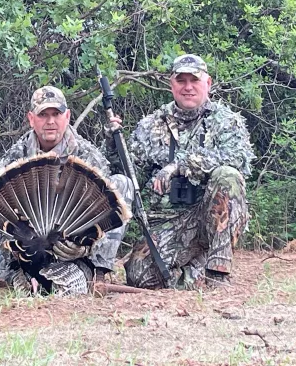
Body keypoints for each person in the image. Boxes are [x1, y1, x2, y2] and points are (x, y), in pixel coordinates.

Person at [109, 54, 255, 289]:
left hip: (208, 219)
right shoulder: (151, 125)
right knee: (138, 276)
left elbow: (238, 159)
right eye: (181, 81)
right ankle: (197, 273)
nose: (188, 87)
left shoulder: (226, 121)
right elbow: (130, 177)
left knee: (228, 176)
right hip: (169, 222)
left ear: (207, 84)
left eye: (194, 81)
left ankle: (218, 273)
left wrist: (180, 166)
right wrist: (114, 144)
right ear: (171, 84)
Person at [0, 86, 133, 292]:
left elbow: (103, 213)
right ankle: (28, 273)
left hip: (72, 245)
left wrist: (85, 247)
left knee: (121, 184)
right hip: (28, 246)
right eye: (43, 114)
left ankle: (98, 271)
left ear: (67, 116)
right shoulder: (15, 157)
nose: (50, 121)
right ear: (31, 118)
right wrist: (17, 249)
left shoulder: (87, 155)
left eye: (56, 114)